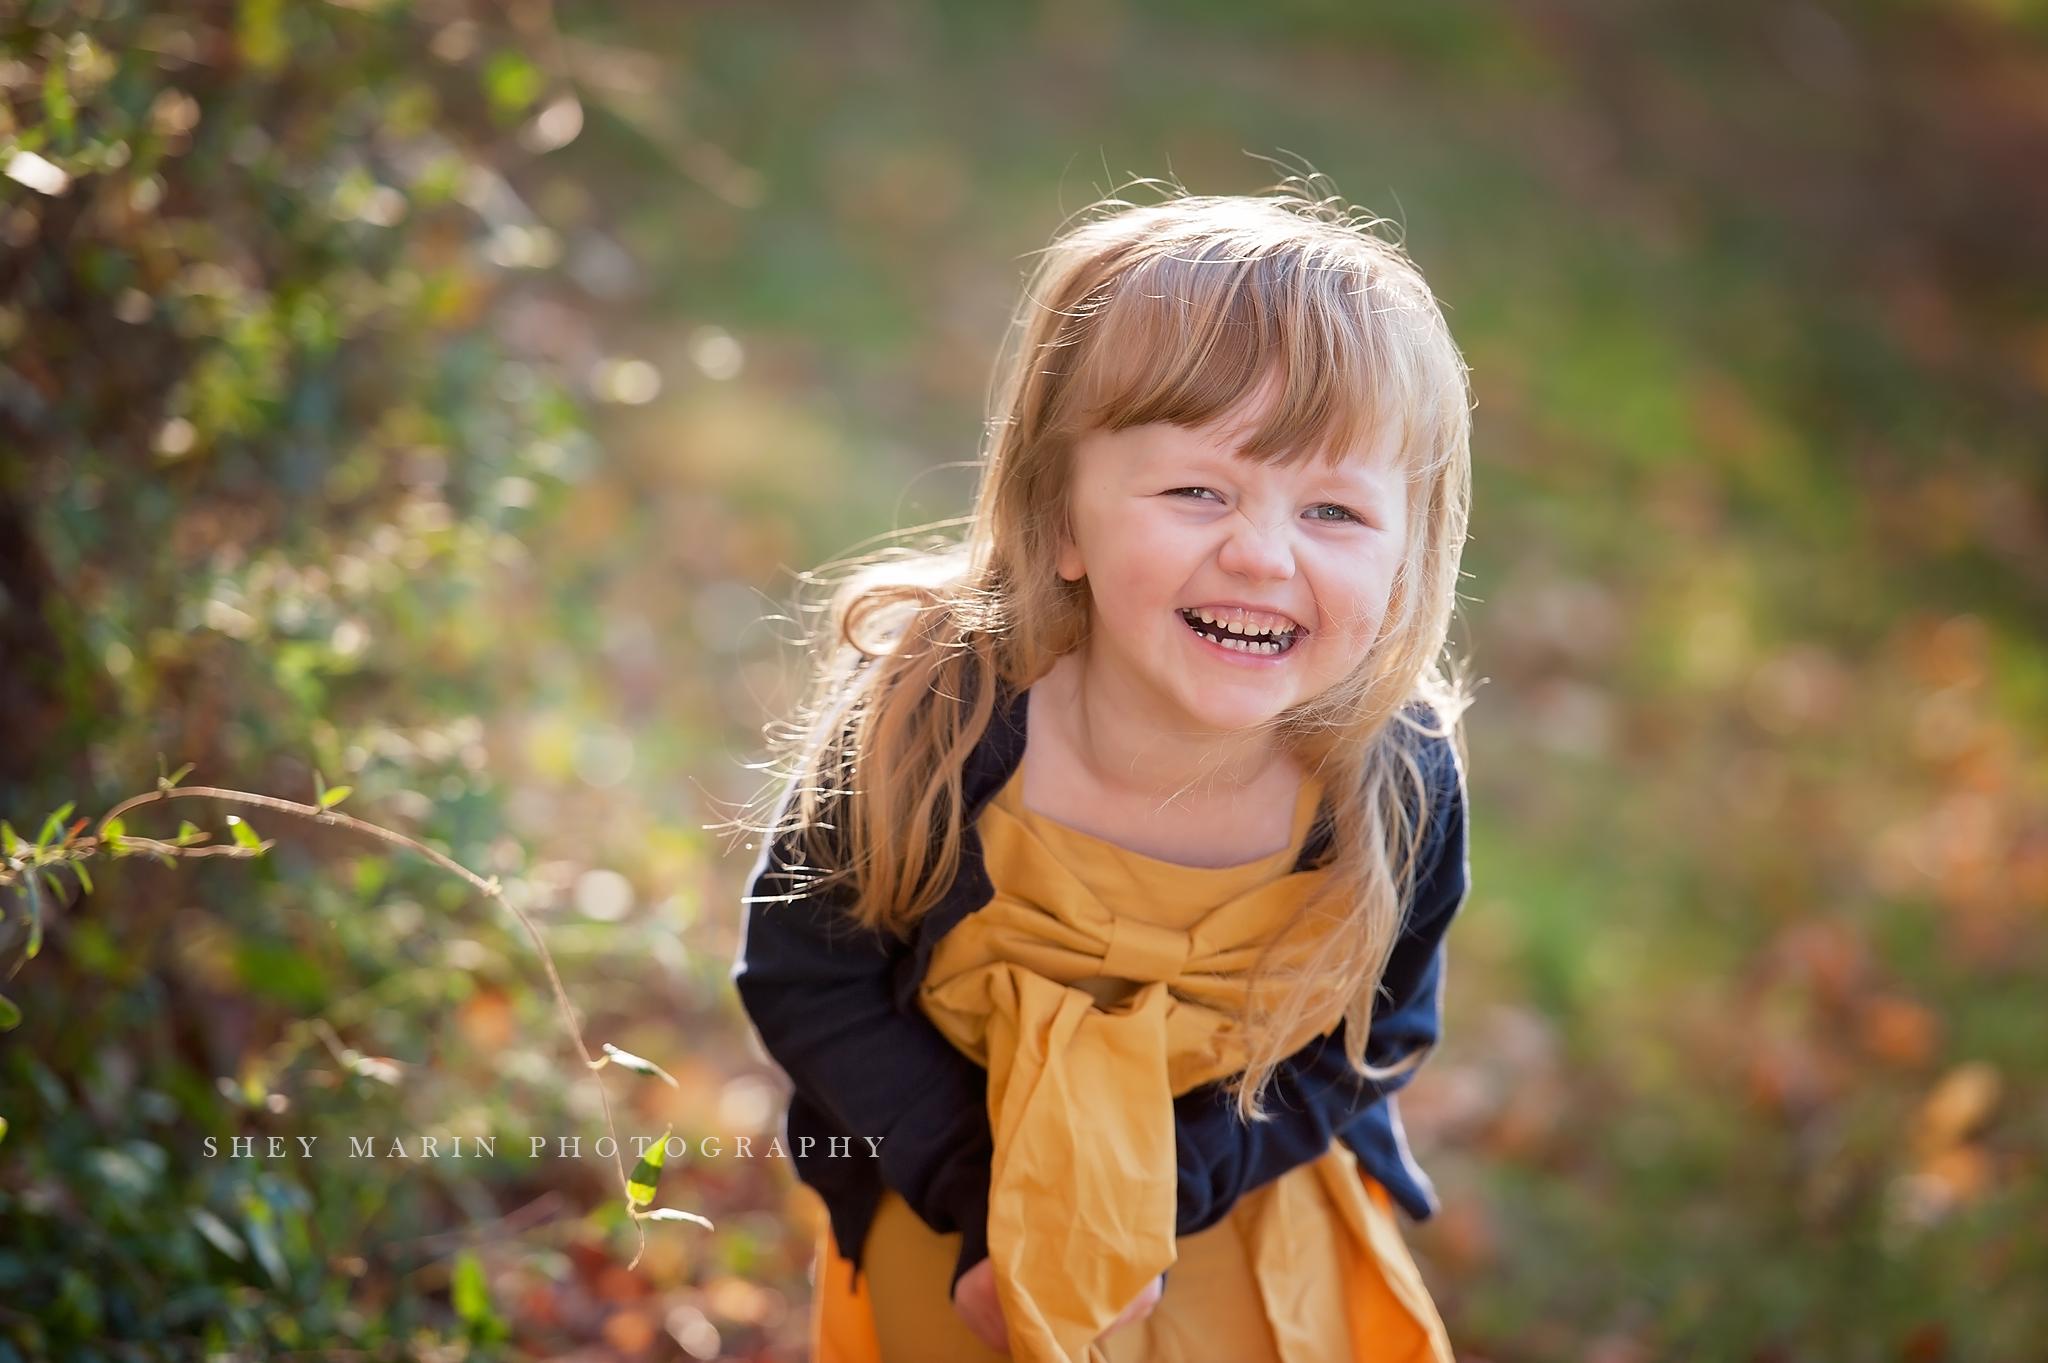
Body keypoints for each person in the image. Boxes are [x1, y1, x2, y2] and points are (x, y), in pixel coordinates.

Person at [734, 182, 1472, 1363]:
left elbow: (1366, 1036)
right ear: (1061, 519)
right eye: (1197, 490)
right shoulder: (937, 715)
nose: (1261, 552)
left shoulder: (1388, 778)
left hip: (1231, 1223)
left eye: (1333, 509)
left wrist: (1146, 1209)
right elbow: (803, 974)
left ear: (1408, 550)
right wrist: (997, 1214)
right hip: (958, 1226)